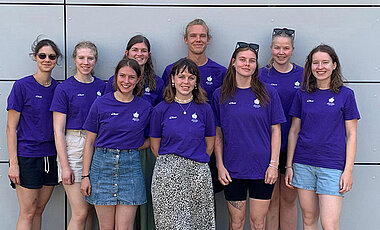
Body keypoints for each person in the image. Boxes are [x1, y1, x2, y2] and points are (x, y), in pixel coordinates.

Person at [285, 44, 360, 230]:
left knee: (329, 224)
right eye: (315, 63)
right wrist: (289, 166)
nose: (320, 67)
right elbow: (294, 131)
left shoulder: (346, 95)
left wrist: (348, 171)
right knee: (309, 220)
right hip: (303, 164)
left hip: (332, 167)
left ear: (334, 65)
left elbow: (351, 135)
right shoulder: (302, 93)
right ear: (310, 66)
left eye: (325, 62)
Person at [212, 42, 286, 230]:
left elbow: (276, 130)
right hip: (232, 169)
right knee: (236, 223)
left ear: (256, 65)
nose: (247, 64)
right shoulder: (220, 94)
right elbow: (217, 134)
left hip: (262, 169)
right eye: (243, 60)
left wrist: (273, 165)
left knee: (258, 223)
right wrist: (220, 166)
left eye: (252, 61)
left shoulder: (268, 92)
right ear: (233, 62)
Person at [80, 58, 152, 230]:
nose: (126, 81)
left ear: (138, 80)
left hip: (131, 168)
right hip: (102, 166)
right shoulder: (101, 103)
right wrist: (85, 176)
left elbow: (153, 138)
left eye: (131, 77)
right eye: (122, 76)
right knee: (105, 227)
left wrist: (130, 145)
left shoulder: (145, 107)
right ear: (115, 77)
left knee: (125, 228)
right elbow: (90, 142)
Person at [104, 35, 164, 229]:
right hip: (118, 153)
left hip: (146, 149)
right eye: (135, 50)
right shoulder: (115, 82)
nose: (139, 54)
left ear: (149, 55)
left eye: (143, 50)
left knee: (144, 200)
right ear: (127, 52)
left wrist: (148, 143)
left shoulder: (158, 83)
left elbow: (162, 118)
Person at [162, 18, 226, 194]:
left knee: (205, 199)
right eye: (193, 36)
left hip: (208, 144)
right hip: (177, 149)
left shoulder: (221, 72)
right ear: (186, 39)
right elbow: (165, 107)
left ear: (208, 39)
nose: (198, 39)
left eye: (202, 36)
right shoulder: (171, 70)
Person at [150, 58, 216, 229]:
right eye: (181, 77)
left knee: (199, 223)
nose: (185, 82)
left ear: (196, 82)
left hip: (198, 174)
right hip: (168, 175)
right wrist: (173, 165)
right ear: (172, 79)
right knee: (171, 224)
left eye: (191, 78)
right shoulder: (161, 109)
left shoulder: (205, 109)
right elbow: (155, 145)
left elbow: (210, 142)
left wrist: (195, 162)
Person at [7, 38, 61, 230]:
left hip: (50, 156)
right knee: (28, 212)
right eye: (42, 55)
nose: (47, 59)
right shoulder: (22, 86)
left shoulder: (58, 89)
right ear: (35, 57)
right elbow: (10, 128)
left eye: (52, 56)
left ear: (57, 59)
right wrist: (13, 164)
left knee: (39, 210)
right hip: (27, 156)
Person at [50, 41, 105, 230]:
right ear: (75, 59)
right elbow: (58, 130)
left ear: (95, 61)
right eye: (81, 57)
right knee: (80, 212)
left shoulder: (102, 87)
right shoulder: (64, 88)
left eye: (90, 58)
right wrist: (65, 166)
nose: (86, 62)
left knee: (90, 210)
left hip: (97, 147)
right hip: (73, 146)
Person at [258, 28, 303, 230]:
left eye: (286, 48)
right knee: (270, 200)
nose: (281, 52)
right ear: (271, 48)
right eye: (277, 47)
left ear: (292, 50)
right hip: (268, 146)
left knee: (289, 199)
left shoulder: (303, 74)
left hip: (294, 147)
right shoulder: (260, 75)